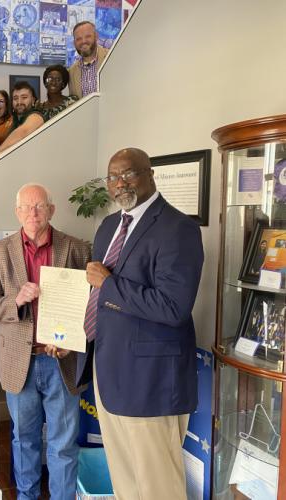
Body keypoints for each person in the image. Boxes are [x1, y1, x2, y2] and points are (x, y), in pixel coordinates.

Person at [77, 148, 203, 500]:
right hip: (109, 372)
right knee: (125, 483)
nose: (119, 184)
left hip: (151, 383)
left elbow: (173, 307)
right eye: (113, 177)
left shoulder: (179, 228)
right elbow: (98, 300)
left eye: (128, 174)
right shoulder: (107, 228)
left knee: (158, 488)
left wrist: (109, 284)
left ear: (150, 175)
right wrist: (73, 333)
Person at [0, 183, 90, 499]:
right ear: (17, 212)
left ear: (52, 210)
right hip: (20, 360)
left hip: (62, 360)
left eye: (40, 206)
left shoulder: (78, 249)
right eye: (26, 207)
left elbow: (90, 306)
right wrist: (16, 299)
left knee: (63, 444)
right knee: (23, 439)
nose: (33, 213)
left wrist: (74, 336)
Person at [0, 82, 44, 155]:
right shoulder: (13, 120)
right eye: (15, 98)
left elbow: (23, 132)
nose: (19, 102)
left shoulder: (36, 116)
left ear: (33, 100)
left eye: (24, 97)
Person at [68, 21, 109, 99]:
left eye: (87, 36)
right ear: (74, 43)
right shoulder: (72, 72)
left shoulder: (111, 57)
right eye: (79, 39)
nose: (83, 41)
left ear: (96, 36)